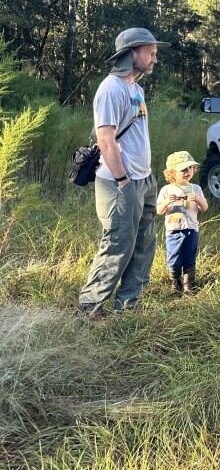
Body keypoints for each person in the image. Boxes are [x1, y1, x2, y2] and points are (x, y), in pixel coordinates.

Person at [78, 27, 169, 317]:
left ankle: (128, 306)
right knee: (118, 244)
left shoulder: (136, 89)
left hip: (145, 179)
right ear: (133, 53)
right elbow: (106, 139)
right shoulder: (110, 89)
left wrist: (145, 178)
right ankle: (90, 306)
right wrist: (123, 181)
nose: (155, 59)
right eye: (151, 53)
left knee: (143, 245)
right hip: (120, 183)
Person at [157, 151, 208, 295]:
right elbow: (159, 210)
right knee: (174, 259)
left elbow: (204, 207)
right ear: (172, 172)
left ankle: (188, 285)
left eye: (190, 168)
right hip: (173, 231)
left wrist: (197, 199)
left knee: (189, 258)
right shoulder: (166, 190)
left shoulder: (195, 188)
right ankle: (175, 281)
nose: (188, 172)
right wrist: (168, 201)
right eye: (184, 169)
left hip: (191, 229)